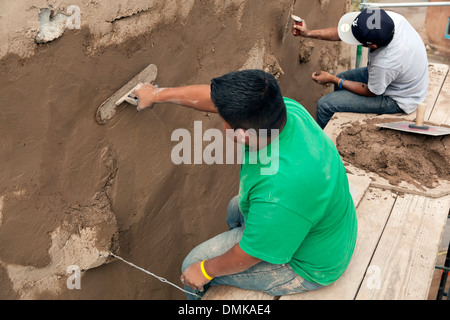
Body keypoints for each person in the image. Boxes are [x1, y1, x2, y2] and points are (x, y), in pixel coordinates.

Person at [134, 69, 357, 300]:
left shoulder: (278, 191)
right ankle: (260, 236)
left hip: (311, 265)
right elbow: (217, 101)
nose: (220, 119)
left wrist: (205, 270)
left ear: (243, 135)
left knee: (193, 264)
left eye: (223, 119)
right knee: (235, 208)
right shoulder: (283, 111)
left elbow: (250, 254)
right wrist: (156, 94)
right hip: (324, 224)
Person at [293, 8, 429, 129]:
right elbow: (344, 32)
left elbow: (372, 91)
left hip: (399, 98)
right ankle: (340, 121)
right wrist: (308, 33)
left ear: (372, 46)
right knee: (344, 79)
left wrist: (334, 80)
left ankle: (326, 144)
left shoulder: (385, 62)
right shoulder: (390, 20)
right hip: (401, 78)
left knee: (325, 104)